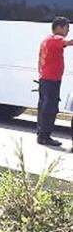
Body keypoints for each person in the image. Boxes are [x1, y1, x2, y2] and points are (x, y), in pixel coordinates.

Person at [36, 16, 73, 147]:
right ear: (59, 27)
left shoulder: (47, 40)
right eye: (67, 28)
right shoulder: (55, 39)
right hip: (51, 80)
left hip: (45, 78)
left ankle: (41, 134)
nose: (67, 31)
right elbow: (69, 42)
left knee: (43, 106)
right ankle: (45, 136)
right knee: (50, 108)